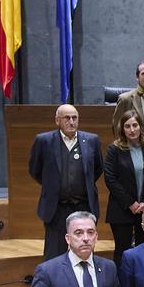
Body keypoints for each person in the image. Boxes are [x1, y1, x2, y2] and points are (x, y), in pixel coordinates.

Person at [29, 104, 104, 260]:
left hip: (84, 206)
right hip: (56, 208)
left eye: (74, 118)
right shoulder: (44, 141)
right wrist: (54, 185)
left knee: (84, 249)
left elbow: (96, 169)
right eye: (66, 118)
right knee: (54, 254)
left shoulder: (91, 140)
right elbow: (35, 170)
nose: (71, 121)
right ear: (57, 120)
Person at [104, 109, 144, 266]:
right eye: (127, 126)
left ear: (141, 127)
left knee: (143, 250)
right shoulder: (114, 149)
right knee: (122, 251)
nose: (132, 130)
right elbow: (110, 179)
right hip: (122, 209)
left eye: (135, 125)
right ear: (122, 129)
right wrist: (130, 203)